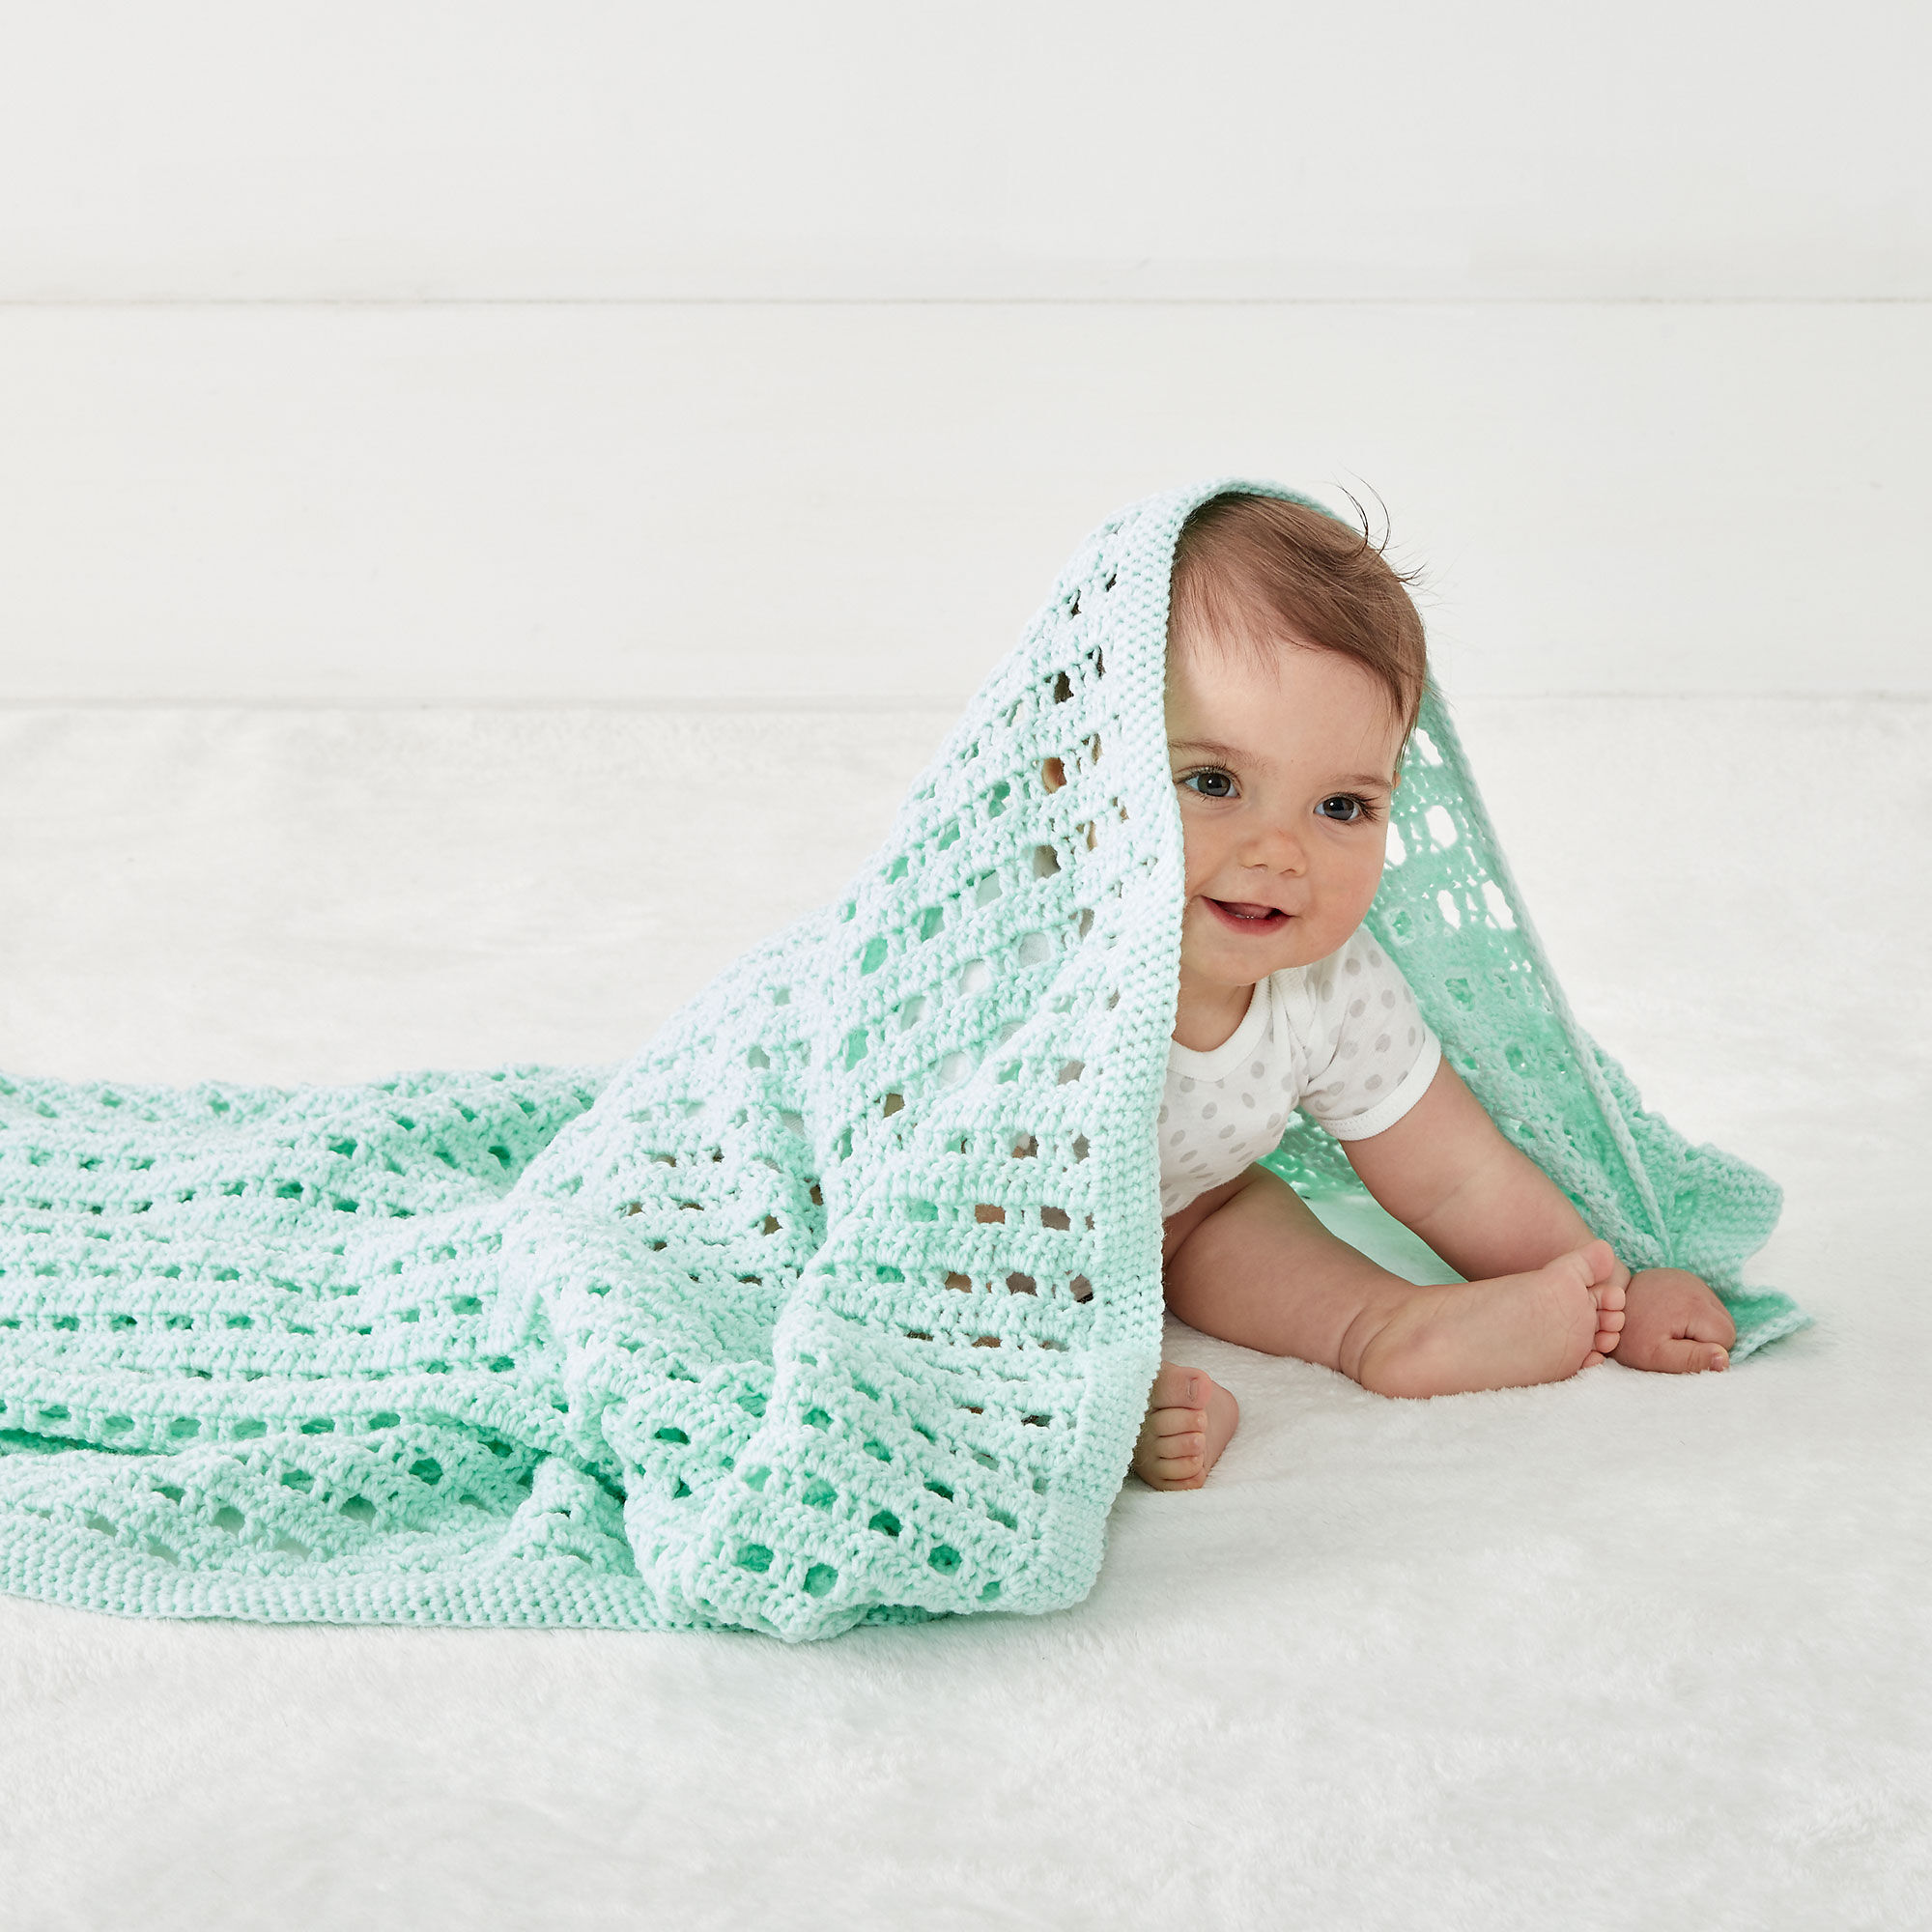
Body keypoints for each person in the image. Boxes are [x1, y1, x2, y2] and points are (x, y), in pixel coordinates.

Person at [1129, 493, 1738, 1492]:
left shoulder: (1329, 978)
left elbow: (1455, 1176)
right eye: (1213, 782)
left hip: (1175, 1212)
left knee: (1227, 1212)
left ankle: (1389, 1327)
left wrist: (1616, 1288)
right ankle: (1104, 1394)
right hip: (982, 1234)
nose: (1278, 852)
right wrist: (1089, 1375)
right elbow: (931, 1210)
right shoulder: (1029, 968)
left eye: (1339, 805)